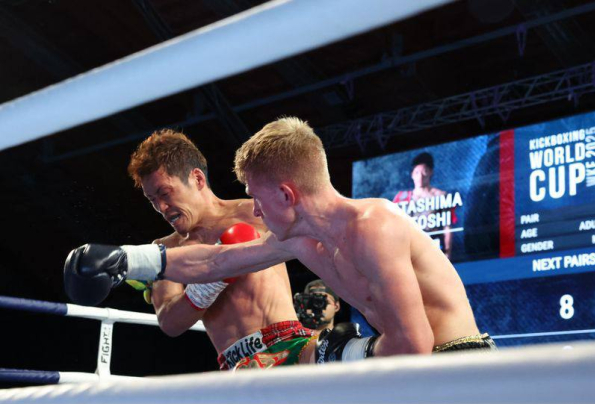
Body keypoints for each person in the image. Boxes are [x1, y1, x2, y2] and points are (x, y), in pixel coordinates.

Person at [65, 118, 495, 363]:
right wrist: (127, 259)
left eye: (256, 197)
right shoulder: (297, 240)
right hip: (398, 366)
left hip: (453, 362)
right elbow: (212, 264)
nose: (255, 211)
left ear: (286, 195)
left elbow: (414, 344)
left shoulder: (372, 226)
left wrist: (340, 356)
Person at [67, 129, 316, 371]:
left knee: (332, 352)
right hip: (237, 366)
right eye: (152, 200)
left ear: (197, 179)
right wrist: (207, 285)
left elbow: (317, 236)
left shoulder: (254, 212)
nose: (162, 207)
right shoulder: (165, 250)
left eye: (165, 193)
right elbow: (169, 322)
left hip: (288, 344)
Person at [392, 152, 453, 258]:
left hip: (433, 246)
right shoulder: (401, 198)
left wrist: (447, 254)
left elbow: (447, 227)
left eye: (424, 171)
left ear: (430, 172)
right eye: (416, 172)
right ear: (412, 175)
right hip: (410, 248)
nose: (420, 176)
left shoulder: (440, 196)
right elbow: (394, 228)